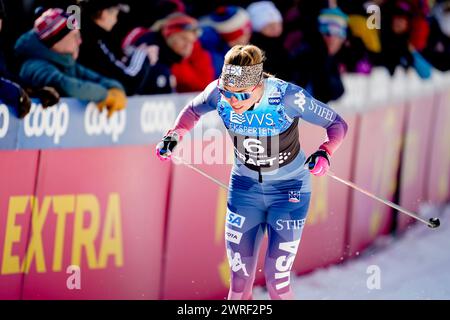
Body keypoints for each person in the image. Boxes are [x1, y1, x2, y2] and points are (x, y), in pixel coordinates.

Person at [155, 45, 348, 300]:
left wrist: (325, 151)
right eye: (227, 93)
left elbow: (337, 123)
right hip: (245, 190)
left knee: (276, 281)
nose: (233, 101)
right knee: (239, 281)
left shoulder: (287, 96)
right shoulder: (217, 93)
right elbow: (192, 111)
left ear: (259, 86)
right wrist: (173, 136)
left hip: (288, 190)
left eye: (242, 95)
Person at [15, 8, 126, 117]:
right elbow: (64, 84)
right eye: (75, 35)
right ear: (57, 40)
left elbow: (96, 78)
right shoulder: (33, 65)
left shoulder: (66, 62)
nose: (80, 41)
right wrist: (105, 95)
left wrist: (115, 88)